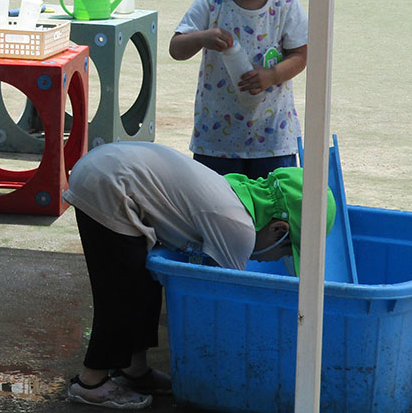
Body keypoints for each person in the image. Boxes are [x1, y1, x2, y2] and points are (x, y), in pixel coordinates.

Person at [63, 141, 336, 409]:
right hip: (106, 185)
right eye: (287, 252)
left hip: (111, 170)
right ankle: (90, 383)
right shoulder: (238, 229)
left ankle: (134, 370)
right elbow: (229, 305)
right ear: (278, 230)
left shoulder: (237, 195)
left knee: (145, 284)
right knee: (122, 293)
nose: (280, 258)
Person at [169, 0, 308, 178]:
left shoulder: (285, 4)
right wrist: (203, 37)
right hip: (217, 139)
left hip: (273, 137)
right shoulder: (211, 1)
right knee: (217, 208)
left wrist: (272, 75)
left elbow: (301, 54)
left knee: (274, 210)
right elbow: (177, 48)